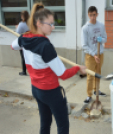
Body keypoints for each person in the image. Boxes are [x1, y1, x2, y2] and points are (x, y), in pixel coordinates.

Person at [11, 2, 86, 134]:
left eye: (53, 23)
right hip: (51, 93)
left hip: (36, 89)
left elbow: (13, 46)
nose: (53, 26)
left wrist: (23, 38)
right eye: (50, 23)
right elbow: (62, 74)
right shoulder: (45, 46)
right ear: (39, 23)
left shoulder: (24, 38)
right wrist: (78, 68)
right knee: (63, 125)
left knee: (45, 123)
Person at [81, 6, 107, 103]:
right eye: (91, 15)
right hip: (91, 56)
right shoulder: (85, 28)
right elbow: (84, 45)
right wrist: (94, 55)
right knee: (90, 75)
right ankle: (89, 95)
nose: (93, 17)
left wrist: (102, 40)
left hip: (100, 54)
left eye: (94, 15)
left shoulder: (101, 25)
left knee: (98, 73)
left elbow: (105, 38)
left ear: (97, 14)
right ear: (88, 15)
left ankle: (97, 90)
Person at [16, 11, 29, 76]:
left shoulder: (21, 24)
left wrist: (17, 27)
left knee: (23, 57)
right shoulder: (31, 23)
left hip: (23, 43)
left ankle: (24, 71)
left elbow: (17, 33)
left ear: (22, 16)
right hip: (30, 42)